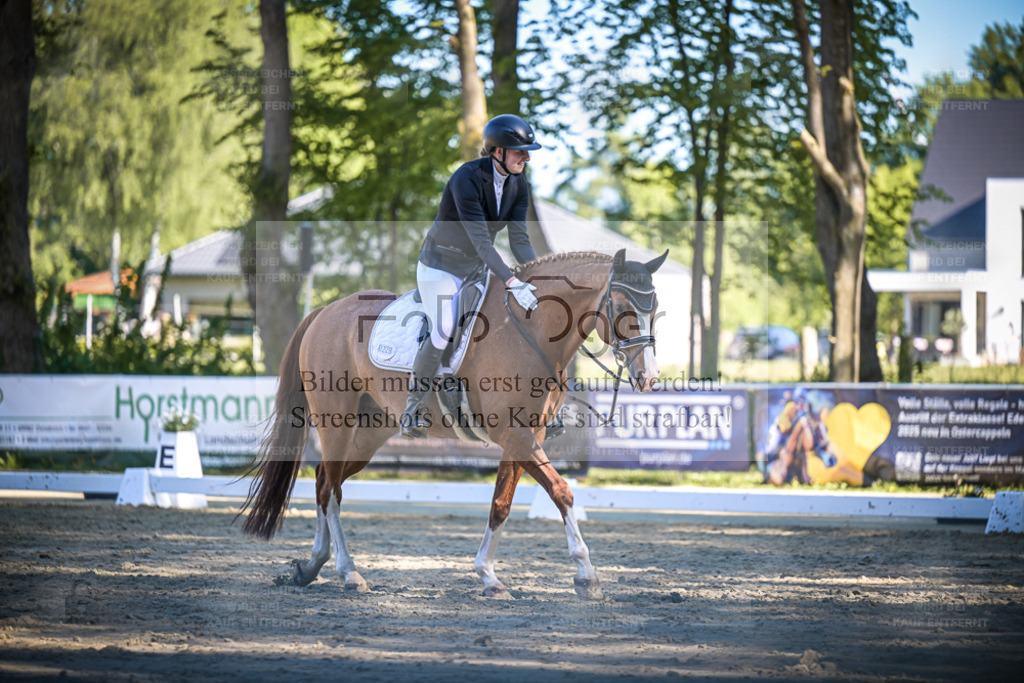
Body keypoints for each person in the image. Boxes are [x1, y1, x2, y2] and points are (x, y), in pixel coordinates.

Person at [399, 114, 543, 438]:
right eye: (520, 151)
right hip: (440, 266)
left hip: (475, 268)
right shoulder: (466, 178)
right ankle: (413, 408)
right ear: (497, 151)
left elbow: (519, 240)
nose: (527, 157)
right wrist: (513, 281)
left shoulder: (519, 184)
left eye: (527, 152)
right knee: (445, 327)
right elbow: (481, 242)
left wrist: (539, 277)